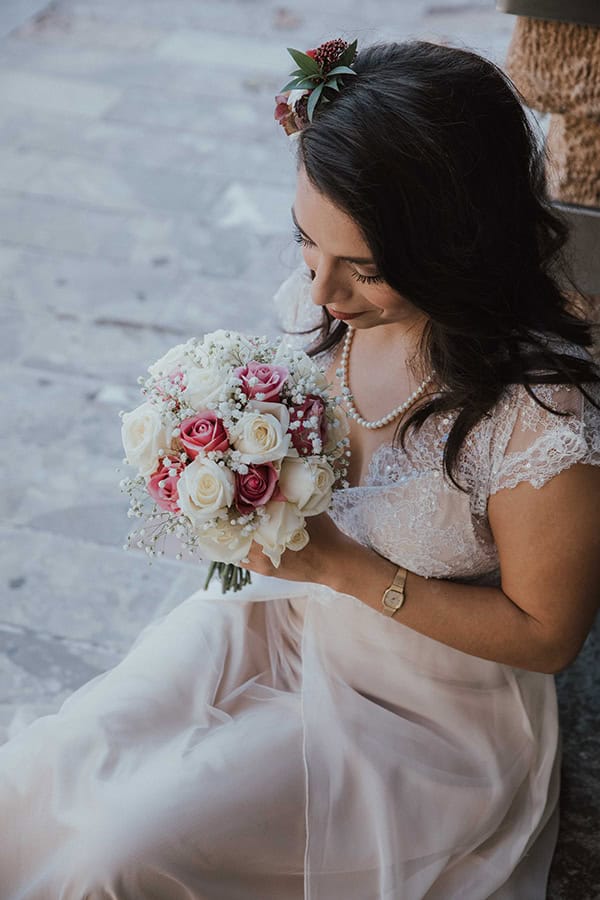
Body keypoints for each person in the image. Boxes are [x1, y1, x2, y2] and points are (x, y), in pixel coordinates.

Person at [1, 36, 599, 900]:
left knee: (121, 855)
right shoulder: (324, 310)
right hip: (270, 621)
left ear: (457, 248)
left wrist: (347, 570)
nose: (320, 294)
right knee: (73, 756)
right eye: (306, 245)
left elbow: (549, 635)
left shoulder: (538, 417)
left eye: (365, 269)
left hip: (420, 713)